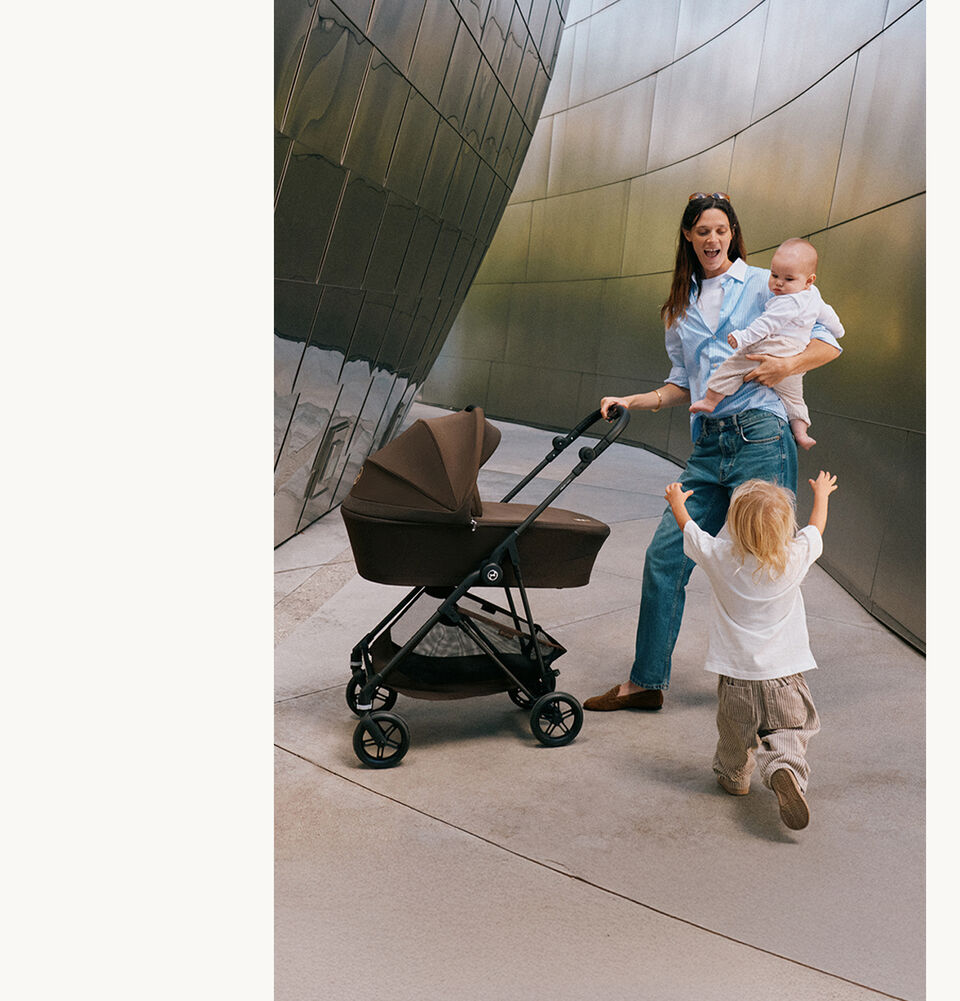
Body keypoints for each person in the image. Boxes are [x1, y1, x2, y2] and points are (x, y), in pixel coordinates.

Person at [583, 192, 842, 713]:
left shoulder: (771, 281)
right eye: (703, 230)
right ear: (688, 236)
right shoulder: (677, 309)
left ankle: (778, 697)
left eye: (721, 230)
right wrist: (632, 400)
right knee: (664, 556)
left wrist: (782, 369)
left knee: (771, 562)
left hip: (761, 435)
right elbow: (682, 383)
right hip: (708, 444)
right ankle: (647, 681)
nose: (713, 239)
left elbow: (830, 340)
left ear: (733, 234)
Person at [662, 471, 838, 830]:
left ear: (734, 524)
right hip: (785, 679)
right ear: (785, 526)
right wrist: (822, 494)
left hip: (736, 681)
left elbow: (689, 530)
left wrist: (678, 502)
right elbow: (817, 527)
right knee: (790, 730)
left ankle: (734, 778)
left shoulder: (720, 556)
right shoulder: (794, 556)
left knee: (734, 737)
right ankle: (784, 769)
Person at [689, 238, 844, 450]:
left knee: (733, 367)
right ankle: (801, 431)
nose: (778, 283)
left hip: (775, 347)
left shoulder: (786, 301)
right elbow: (829, 317)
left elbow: (764, 326)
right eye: (774, 275)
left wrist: (743, 338)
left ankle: (711, 400)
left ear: (809, 281)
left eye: (788, 279)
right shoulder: (814, 296)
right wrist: (839, 330)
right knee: (793, 397)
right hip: (796, 350)